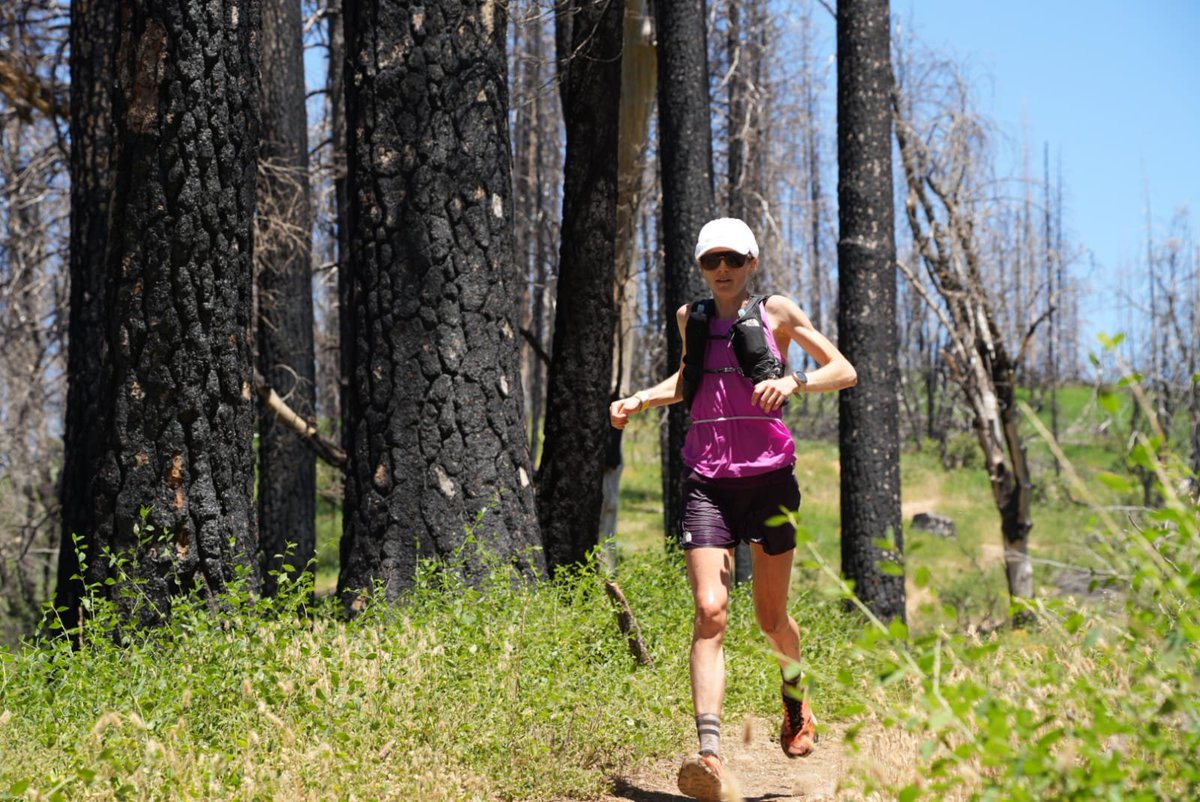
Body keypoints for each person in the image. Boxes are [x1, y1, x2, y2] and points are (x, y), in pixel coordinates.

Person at [609, 218, 857, 802]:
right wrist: (643, 397)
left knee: (772, 619)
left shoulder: (777, 313)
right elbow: (692, 381)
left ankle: (795, 702)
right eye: (710, 261)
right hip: (707, 483)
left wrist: (795, 383)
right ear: (701, 267)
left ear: (750, 262)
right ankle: (710, 755)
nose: (721, 270)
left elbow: (844, 370)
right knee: (710, 609)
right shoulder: (690, 318)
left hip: (769, 482)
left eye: (732, 260)